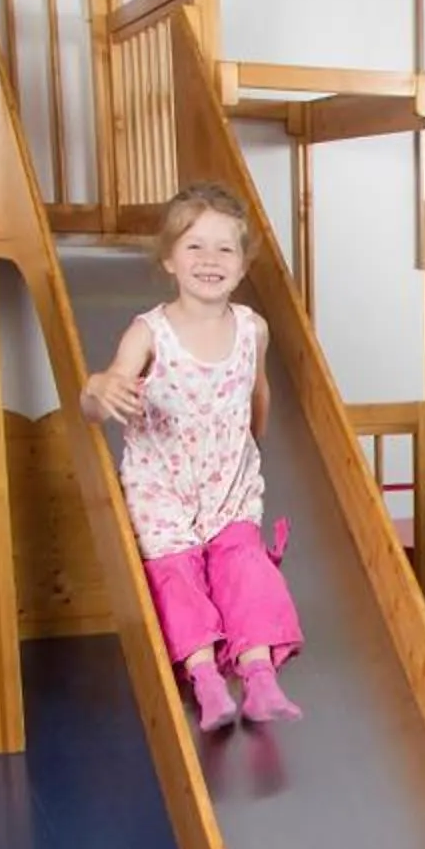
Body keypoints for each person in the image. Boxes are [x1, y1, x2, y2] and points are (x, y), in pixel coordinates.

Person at [80, 181, 302, 731]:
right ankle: (205, 679)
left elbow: (259, 394)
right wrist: (98, 387)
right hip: (164, 486)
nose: (209, 260)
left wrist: (253, 447)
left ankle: (258, 677)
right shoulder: (148, 332)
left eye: (225, 248)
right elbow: (98, 397)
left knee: (245, 566)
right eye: (194, 246)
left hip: (227, 478)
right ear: (169, 259)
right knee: (177, 574)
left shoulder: (253, 328)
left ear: (244, 263)